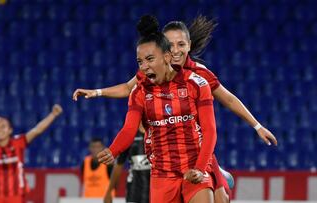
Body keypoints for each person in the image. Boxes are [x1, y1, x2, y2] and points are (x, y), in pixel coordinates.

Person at [73, 15, 278, 203]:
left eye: (181, 44)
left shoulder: (198, 76)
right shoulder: (148, 74)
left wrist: (257, 126)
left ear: (188, 46)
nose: (175, 50)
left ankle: (218, 175)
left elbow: (229, 100)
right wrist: (97, 92)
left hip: (197, 152)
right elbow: (128, 89)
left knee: (221, 199)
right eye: (170, 45)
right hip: (164, 162)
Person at [98, 15, 217, 203]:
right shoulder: (138, 93)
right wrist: (112, 150)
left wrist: (200, 168)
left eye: (150, 59)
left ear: (167, 57)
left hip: (194, 168)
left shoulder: (196, 84)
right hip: (162, 175)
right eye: (140, 62)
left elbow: (210, 131)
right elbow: (129, 130)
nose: (144, 67)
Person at [104, 123, 150, 203]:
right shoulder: (129, 136)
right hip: (134, 192)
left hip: (156, 190)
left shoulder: (157, 133)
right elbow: (118, 165)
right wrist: (109, 191)